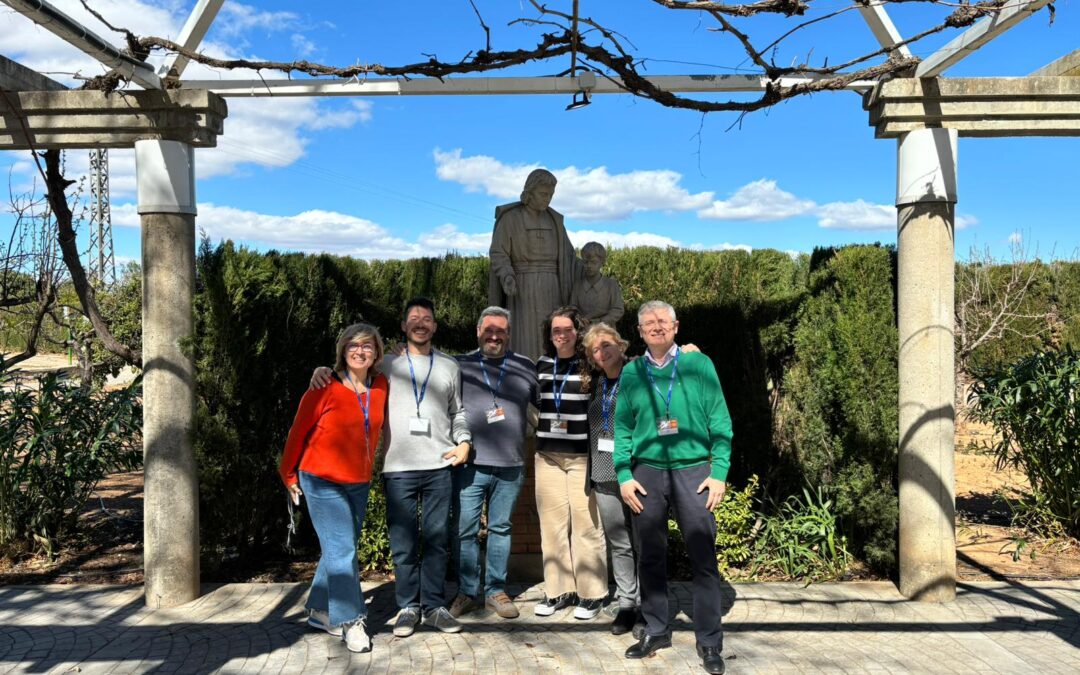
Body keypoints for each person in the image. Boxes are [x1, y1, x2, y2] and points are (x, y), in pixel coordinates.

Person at [310, 298, 471, 638]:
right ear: (403, 326)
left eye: (427, 319)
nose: (420, 323)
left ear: (434, 327)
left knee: (438, 540)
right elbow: (351, 371)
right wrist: (321, 370)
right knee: (403, 542)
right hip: (398, 467)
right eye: (414, 318)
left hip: (440, 464)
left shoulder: (449, 366)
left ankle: (434, 606)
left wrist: (465, 442)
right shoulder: (386, 367)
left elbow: (459, 411)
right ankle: (408, 607)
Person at [614, 300, 733, 675]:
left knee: (702, 556)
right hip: (646, 474)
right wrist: (623, 474)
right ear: (640, 331)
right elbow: (622, 427)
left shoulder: (699, 365)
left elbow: (720, 420)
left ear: (676, 326)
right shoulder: (633, 372)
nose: (657, 326)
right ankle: (656, 629)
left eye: (663, 320)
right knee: (649, 556)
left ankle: (710, 641)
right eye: (649, 322)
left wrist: (719, 472)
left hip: (694, 472)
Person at [279, 323, 388, 654]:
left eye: (367, 346)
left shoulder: (381, 384)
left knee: (340, 549)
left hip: (358, 481)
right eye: (353, 345)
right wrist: (288, 474)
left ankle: (319, 609)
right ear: (343, 351)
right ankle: (351, 619)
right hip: (320, 478)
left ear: (376, 352)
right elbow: (298, 432)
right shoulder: (323, 386)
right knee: (343, 551)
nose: (360, 351)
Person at [448, 306, 540, 620]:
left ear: (509, 334)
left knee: (501, 528)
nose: (495, 336)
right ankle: (467, 591)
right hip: (469, 463)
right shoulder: (459, 364)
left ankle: (496, 591)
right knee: (465, 531)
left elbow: (551, 401)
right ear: (478, 331)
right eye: (489, 330)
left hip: (511, 464)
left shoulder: (525, 366)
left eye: (501, 331)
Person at [533, 306, 608, 619]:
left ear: (578, 332)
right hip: (547, 457)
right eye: (555, 330)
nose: (560, 335)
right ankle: (558, 591)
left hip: (581, 458)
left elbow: (623, 367)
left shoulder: (590, 364)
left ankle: (593, 595)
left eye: (566, 329)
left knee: (586, 526)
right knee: (551, 528)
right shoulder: (541, 363)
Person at [581, 322, 640, 636]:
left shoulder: (639, 374)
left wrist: (688, 351)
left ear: (621, 344)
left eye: (606, 345)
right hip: (604, 472)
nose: (601, 353)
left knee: (643, 541)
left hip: (637, 473)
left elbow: (672, 363)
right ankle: (628, 604)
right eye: (595, 350)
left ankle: (649, 604)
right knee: (619, 542)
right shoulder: (597, 383)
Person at [488, 168, 581, 361]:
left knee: (553, 333)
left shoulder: (554, 221)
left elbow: (569, 257)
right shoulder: (511, 218)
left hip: (553, 287)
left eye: (551, 195)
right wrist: (506, 275)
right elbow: (498, 253)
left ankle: (552, 374)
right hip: (523, 287)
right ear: (529, 192)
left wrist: (592, 272)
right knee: (525, 337)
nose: (547, 199)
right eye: (543, 194)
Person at [570, 242, 624, 326]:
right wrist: (580, 318)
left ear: (602, 263)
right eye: (586, 262)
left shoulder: (611, 285)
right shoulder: (577, 285)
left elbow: (618, 310)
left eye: (594, 262)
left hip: (606, 332)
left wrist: (599, 321)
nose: (589, 266)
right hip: (583, 332)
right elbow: (573, 308)